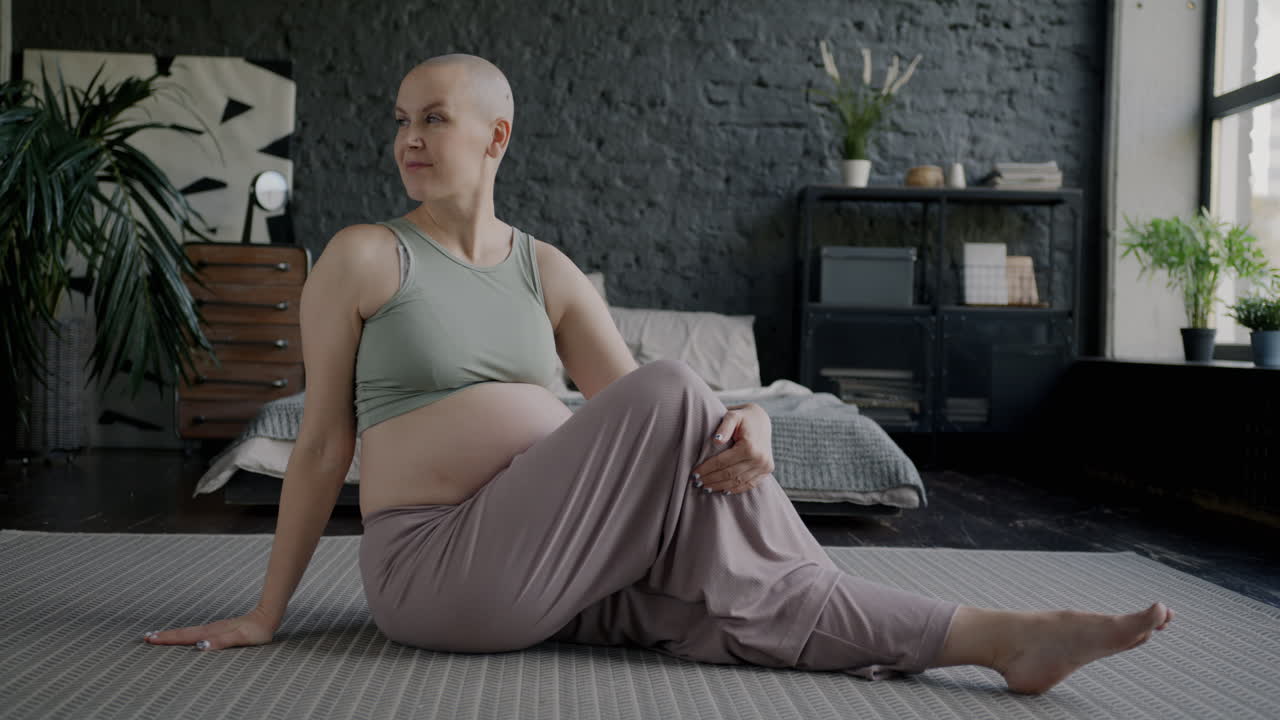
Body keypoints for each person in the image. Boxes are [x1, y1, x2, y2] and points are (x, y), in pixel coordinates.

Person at [143, 53, 1173, 695]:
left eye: (434, 118)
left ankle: (1000, 639)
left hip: (566, 565)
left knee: (746, 601)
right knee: (683, 394)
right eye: (400, 119)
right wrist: (266, 612)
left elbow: (646, 419)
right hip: (437, 573)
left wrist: (749, 429)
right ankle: (906, 605)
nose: (407, 137)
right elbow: (323, 441)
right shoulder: (364, 254)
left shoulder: (542, 269)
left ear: (496, 135)